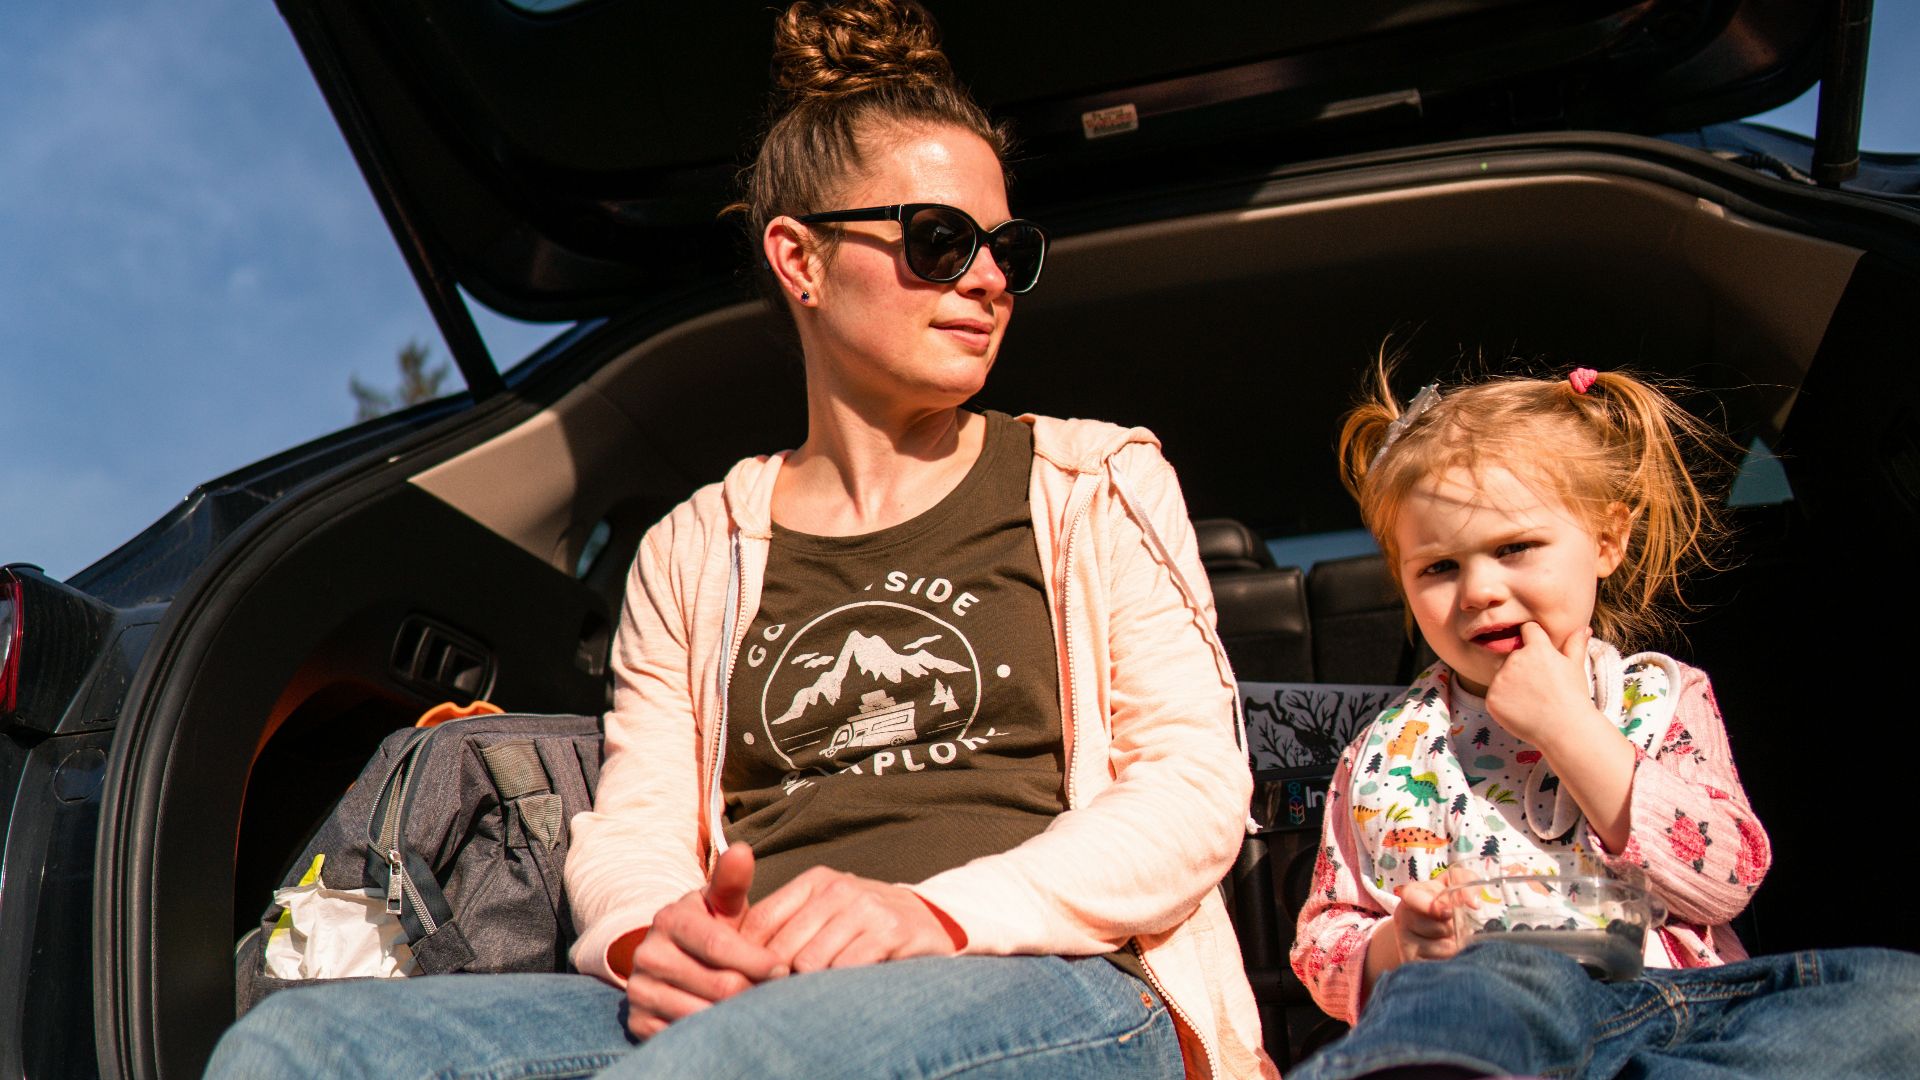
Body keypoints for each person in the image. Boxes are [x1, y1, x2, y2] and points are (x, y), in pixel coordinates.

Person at [205, 2, 1271, 1077]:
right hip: (742, 1009)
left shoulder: (1094, 478)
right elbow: (636, 828)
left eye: (1008, 249)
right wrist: (649, 939)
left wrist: (934, 917)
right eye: (942, 242)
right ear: (799, 260)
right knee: (302, 1047)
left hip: (1055, 979)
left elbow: (1191, 792)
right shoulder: (689, 548)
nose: (989, 278)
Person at [1285, 362, 1920, 1079]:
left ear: (1607, 542)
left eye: (1514, 548)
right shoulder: (1386, 750)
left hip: (1682, 1005)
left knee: (1892, 998)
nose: (1480, 591)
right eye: (1438, 568)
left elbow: (1727, 874)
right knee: (1488, 981)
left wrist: (1570, 726)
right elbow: (1322, 936)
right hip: (1498, 1013)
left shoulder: (1659, 699)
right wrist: (1398, 945)